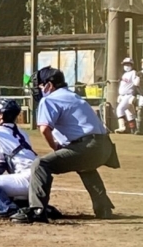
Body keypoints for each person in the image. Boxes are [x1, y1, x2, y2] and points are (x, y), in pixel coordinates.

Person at [10, 66, 119, 224]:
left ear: (49, 85)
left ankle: (37, 210)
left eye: (39, 85)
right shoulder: (73, 96)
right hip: (105, 147)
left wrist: (55, 147)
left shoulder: (49, 99)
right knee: (84, 166)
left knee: (41, 164)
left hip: (88, 146)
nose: (37, 89)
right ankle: (103, 208)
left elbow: (44, 129)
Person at [0, 97, 52, 219]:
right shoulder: (22, 133)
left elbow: (0, 167)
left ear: (0, 116)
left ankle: (9, 209)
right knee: (10, 187)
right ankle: (36, 207)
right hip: (41, 180)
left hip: (26, 180)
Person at [115, 57, 139, 134]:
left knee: (119, 109)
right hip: (122, 96)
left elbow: (136, 84)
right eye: (125, 64)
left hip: (128, 95)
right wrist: (120, 95)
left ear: (131, 65)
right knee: (129, 113)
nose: (126, 66)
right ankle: (134, 129)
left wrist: (138, 77)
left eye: (128, 64)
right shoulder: (125, 74)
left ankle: (122, 127)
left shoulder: (133, 72)